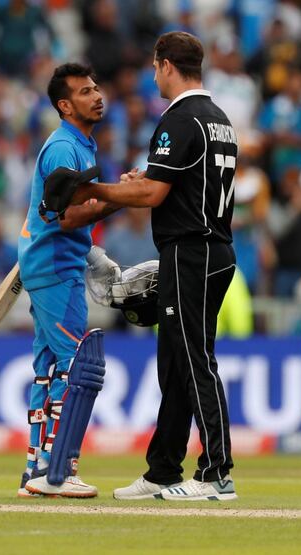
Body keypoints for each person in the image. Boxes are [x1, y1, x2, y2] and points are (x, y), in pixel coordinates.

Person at [65, 32, 239, 501]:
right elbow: (174, 184)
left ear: (164, 65)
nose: (154, 74)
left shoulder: (180, 119)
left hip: (192, 252)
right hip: (209, 250)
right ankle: (163, 468)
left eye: (155, 67)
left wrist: (93, 191)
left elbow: (152, 195)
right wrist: (145, 180)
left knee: (194, 359)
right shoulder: (218, 119)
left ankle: (216, 473)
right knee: (176, 362)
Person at [16, 63, 117, 498]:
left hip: (55, 263)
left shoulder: (80, 145)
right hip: (55, 267)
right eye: (84, 91)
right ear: (64, 104)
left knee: (49, 368)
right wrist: (120, 197)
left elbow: (61, 218)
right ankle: (59, 470)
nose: (97, 96)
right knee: (78, 365)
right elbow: (64, 216)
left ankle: (36, 469)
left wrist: (91, 252)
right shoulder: (63, 148)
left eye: (96, 87)